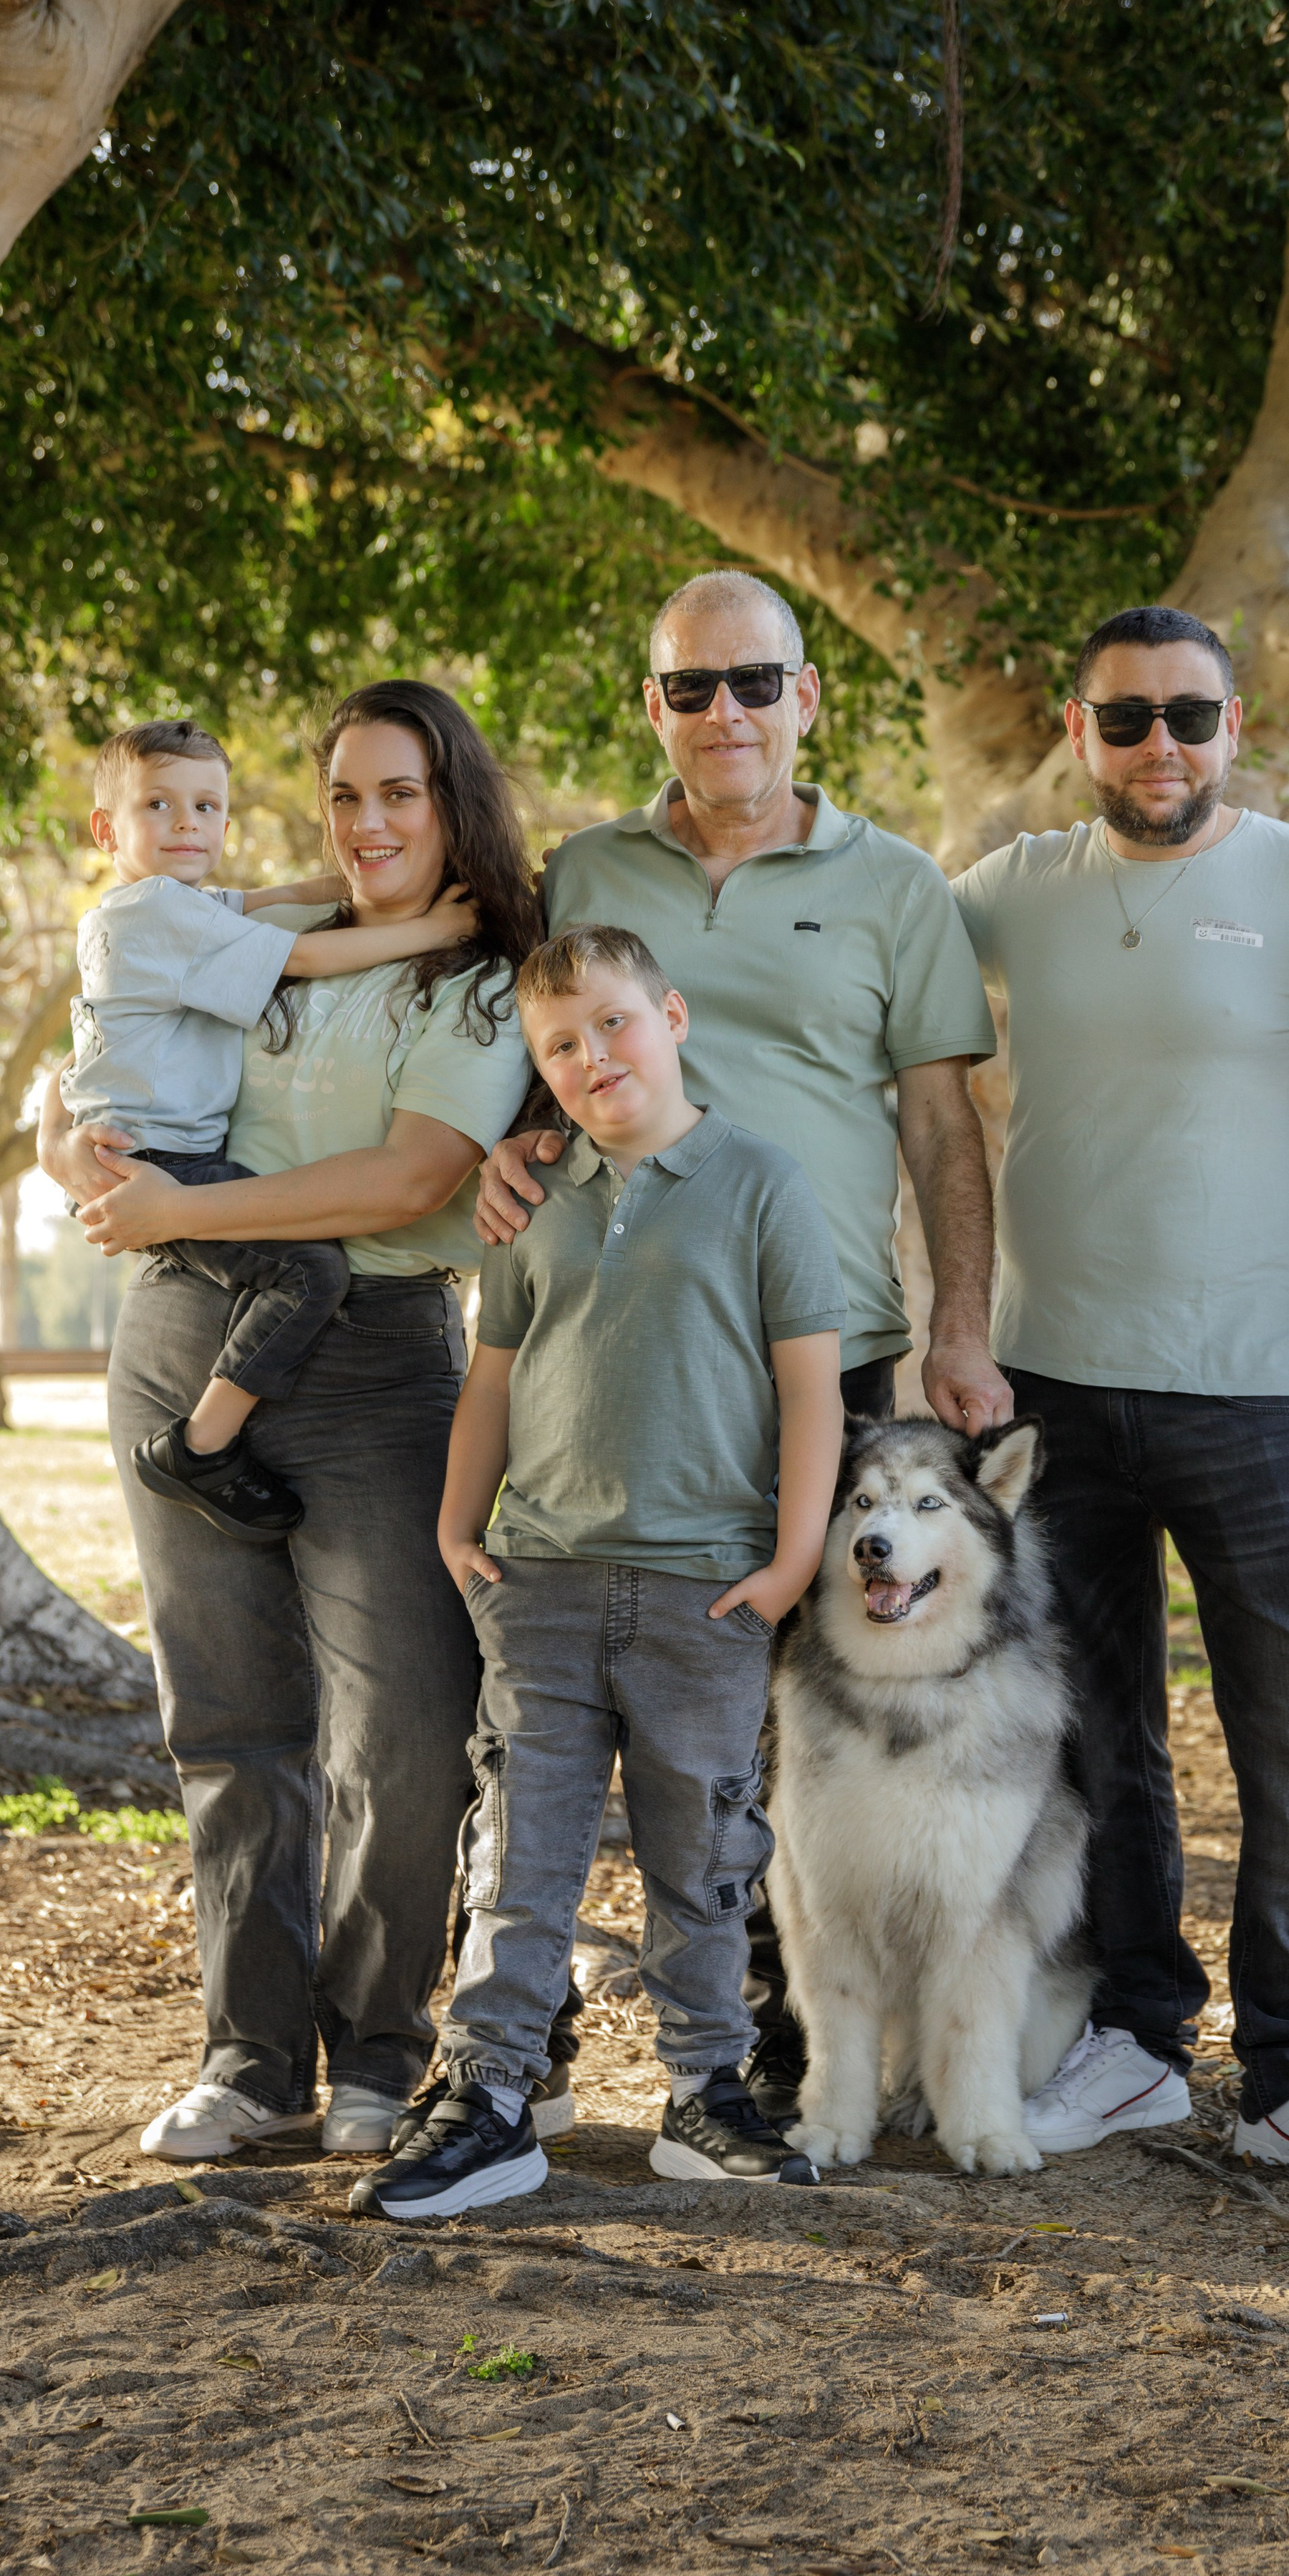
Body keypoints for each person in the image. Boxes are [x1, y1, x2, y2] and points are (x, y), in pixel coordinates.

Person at [473, 568, 1005, 2116]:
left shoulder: (896, 882)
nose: (726, 714)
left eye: (754, 682)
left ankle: (765, 2047)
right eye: (691, 687)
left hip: (818, 1356)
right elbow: (540, 1040)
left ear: (806, 696)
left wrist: (959, 1328)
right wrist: (500, 1149)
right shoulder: (587, 868)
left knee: (789, 1714)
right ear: (653, 706)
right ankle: (533, 2041)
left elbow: (939, 1123)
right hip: (617, 1363)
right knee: (576, 1707)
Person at [952, 602, 1289, 2214]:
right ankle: (1137, 2030)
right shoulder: (1013, 896)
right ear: (1078, 732)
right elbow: (844, 994)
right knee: (1095, 1730)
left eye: (1186, 714)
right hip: (1052, 1387)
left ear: (1234, 727)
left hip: (1247, 1392)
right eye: (1123, 719)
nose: (1156, 744)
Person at [40, 682, 541, 2164]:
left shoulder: (478, 977)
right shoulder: (254, 935)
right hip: (183, 1331)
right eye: (345, 796)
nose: (372, 823)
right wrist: (69, 1144)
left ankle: (379, 2047)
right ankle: (251, 2062)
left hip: (380, 1356)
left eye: (402, 794)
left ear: (454, 802)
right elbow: (110, 1051)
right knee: (232, 1717)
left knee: (404, 1727)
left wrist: (182, 1202)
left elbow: (401, 1183)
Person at [354, 924, 844, 2218]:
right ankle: (492, 2095)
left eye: (614, 1024)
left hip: (706, 1590)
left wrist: (794, 1563)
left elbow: (810, 1393)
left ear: (672, 1017)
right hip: (546, 1583)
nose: (591, 1057)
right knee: (522, 1857)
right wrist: (462, 1530)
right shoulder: (532, 1199)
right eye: (559, 1046)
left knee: (704, 1861)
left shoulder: (761, 1183)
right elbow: (495, 1379)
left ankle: (706, 2094)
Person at [62, 716, 478, 1543]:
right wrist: (436, 931)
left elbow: (252, 906)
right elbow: (302, 959)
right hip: (163, 1160)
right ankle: (199, 1445)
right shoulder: (152, 916)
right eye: (159, 805)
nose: (188, 825)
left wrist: (325, 889)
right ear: (108, 830)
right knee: (308, 1275)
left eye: (208, 807)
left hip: (165, 1149)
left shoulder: (175, 906)